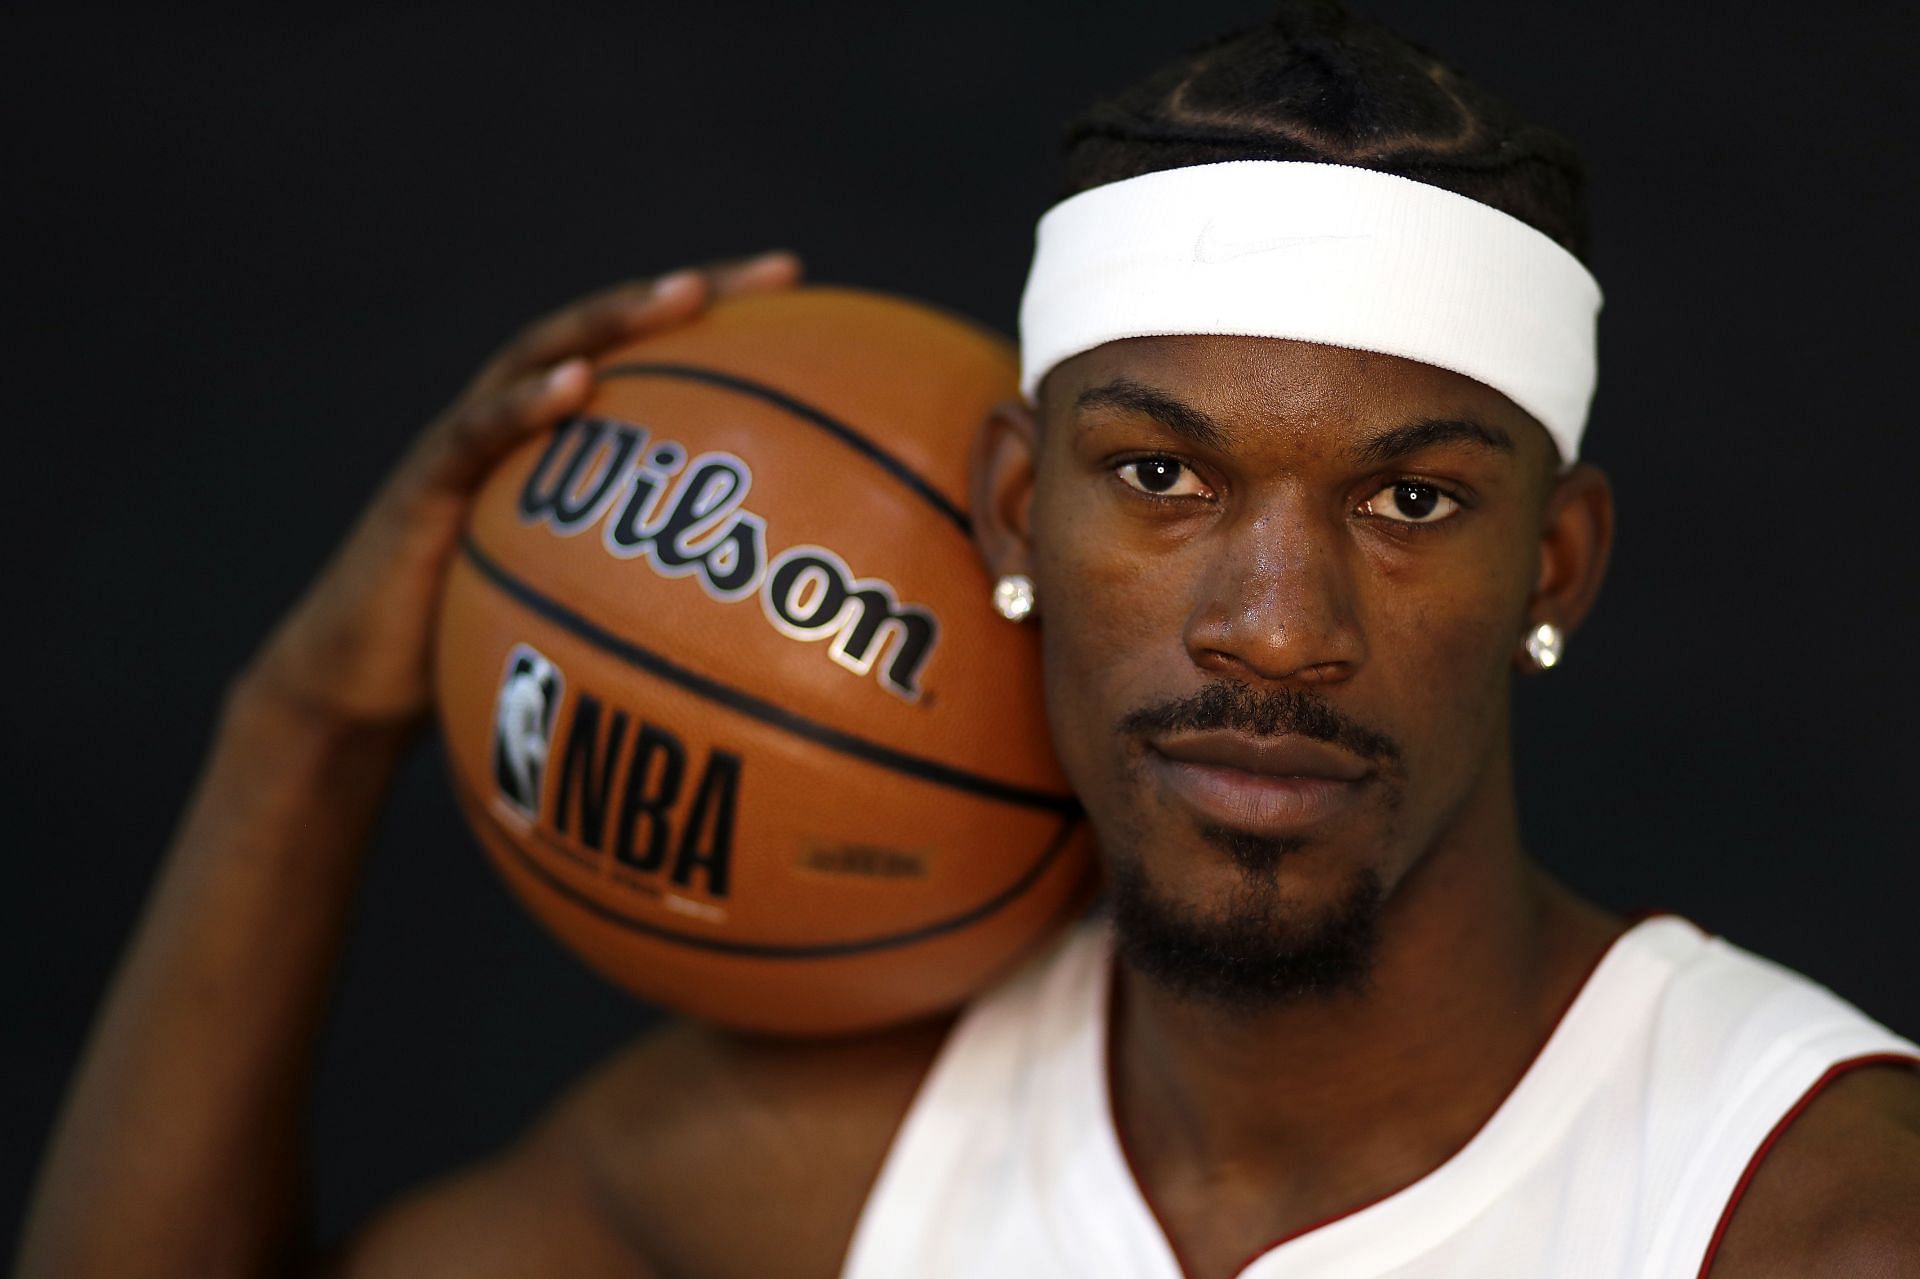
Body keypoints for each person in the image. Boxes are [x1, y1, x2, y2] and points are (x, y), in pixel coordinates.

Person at [17, 4, 1920, 1277]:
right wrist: (305, 727)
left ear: (1556, 569)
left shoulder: (1811, 1213)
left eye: (1408, 501)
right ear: (1019, 511)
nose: (1275, 627)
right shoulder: (831, 1149)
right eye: (1163, 477)